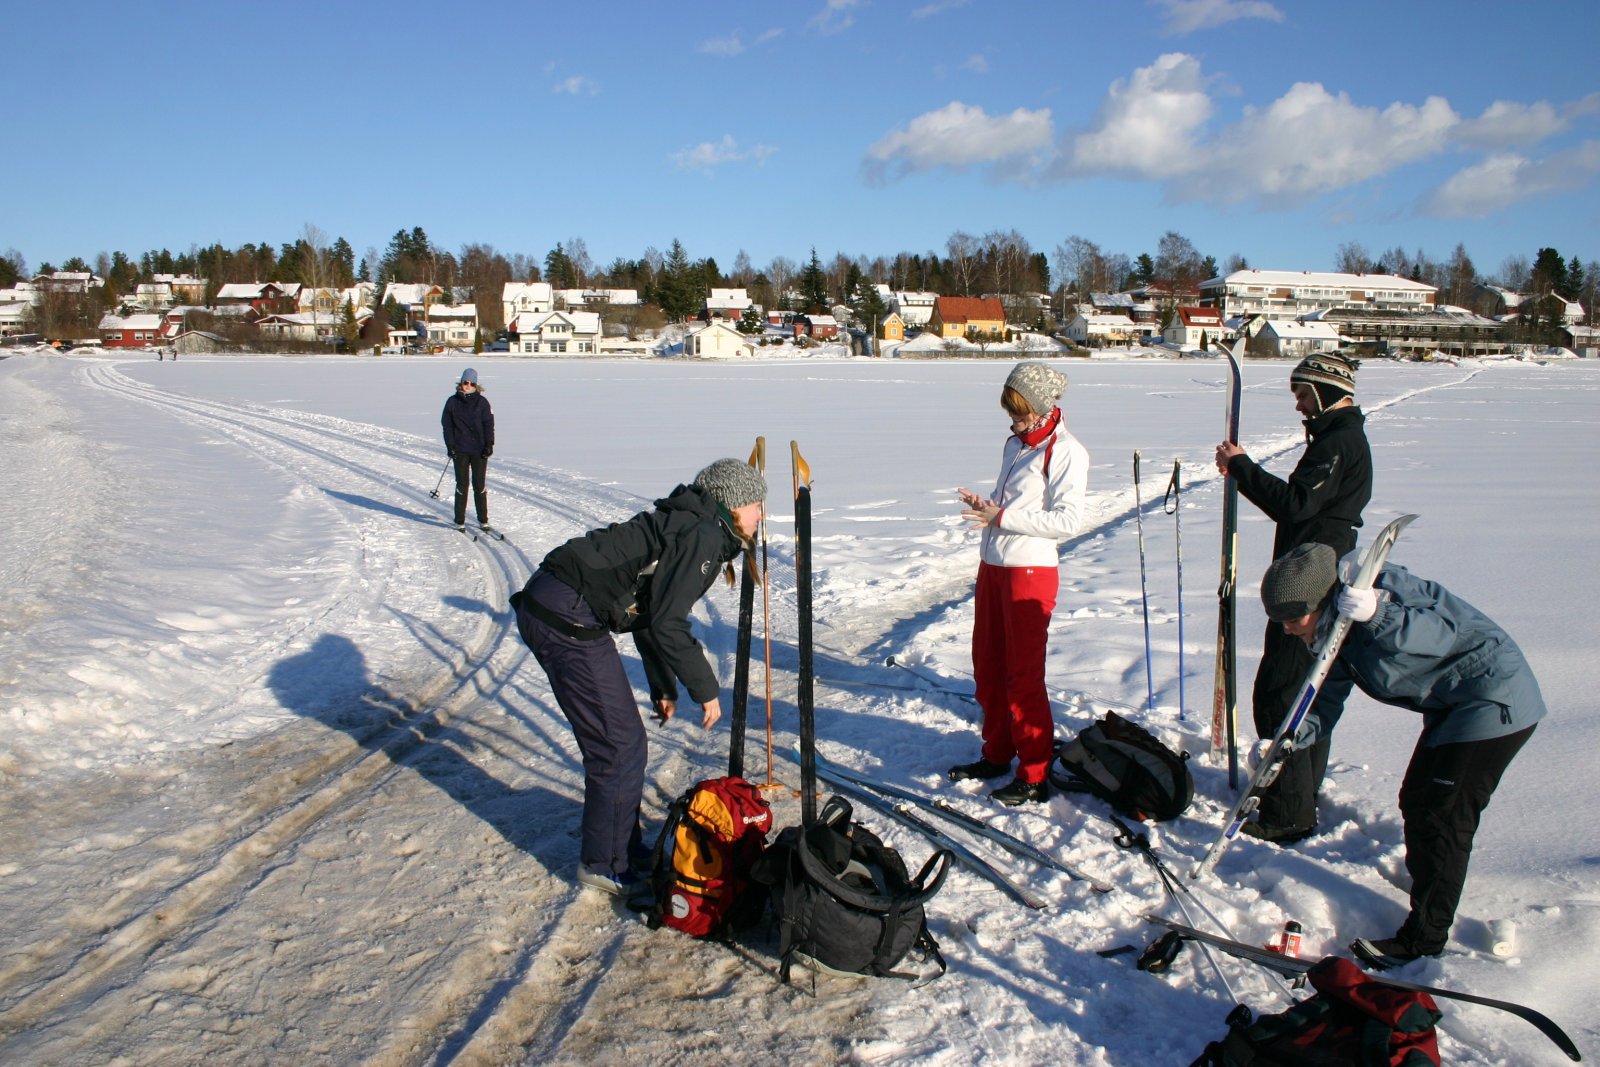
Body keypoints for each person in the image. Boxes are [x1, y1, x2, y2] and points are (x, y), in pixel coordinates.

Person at [1257, 542, 1544, 969]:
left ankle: (1424, 939)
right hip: (1450, 705)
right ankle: (1433, 881)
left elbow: (1440, 634)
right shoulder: (1328, 629)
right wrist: (1288, 739)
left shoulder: (1377, 594)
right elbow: (1325, 697)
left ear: (1321, 601)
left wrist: (1378, 614)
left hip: (1491, 699)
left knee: (1442, 815)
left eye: (1292, 619)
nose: (1287, 630)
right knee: (1417, 799)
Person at [511, 458, 767, 895]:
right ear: (733, 505)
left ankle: (619, 850)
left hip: (560, 604)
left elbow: (649, 613)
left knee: (622, 740)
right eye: (756, 504)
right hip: (565, 614)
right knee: (619, 743)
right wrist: (705, 689)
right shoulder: (704, 534)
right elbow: (668, 621)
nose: (761, 514)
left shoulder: (696, 524)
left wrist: (663, 686)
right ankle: (605, 863)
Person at [1215, 350, 1372, 841]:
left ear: (1327, 391)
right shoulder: (1337, 438)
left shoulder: (1339, 442)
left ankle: (1288, 813)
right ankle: (1299, 796)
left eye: (1304, 394)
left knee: (1283, 695)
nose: (1300, 405)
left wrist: (1242, 467)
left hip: (1310, 586)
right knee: (1306, 693)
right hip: (1315, 573)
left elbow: (1296, 505)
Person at [949, 361, 1089, 806]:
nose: (1016, 421)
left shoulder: (1066, 451)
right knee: (987, 666)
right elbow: (1016, 505)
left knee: (1022, 676)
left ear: (1045, 408)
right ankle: (996, 753)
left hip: (1030, 573)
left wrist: (1003, 517)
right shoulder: (1016, 444)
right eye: (1011, 412)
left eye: (1022, 412)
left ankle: (1033, 773)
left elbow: (1067, 520)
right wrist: (990, 509)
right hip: (993, 566)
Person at [441, 368, 495, 533]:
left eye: (471, 383)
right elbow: (447, 426)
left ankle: (483, 520)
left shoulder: (482, 402)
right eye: (466, 382)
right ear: (461, 383)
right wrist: (450, 446)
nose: (468, 386)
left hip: (479, 450)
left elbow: (488, 424)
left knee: (479, 485)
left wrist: (489, 444)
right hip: (461, 449)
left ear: (476, 385)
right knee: (462, 484)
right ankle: (459, 520)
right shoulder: (452, 402)